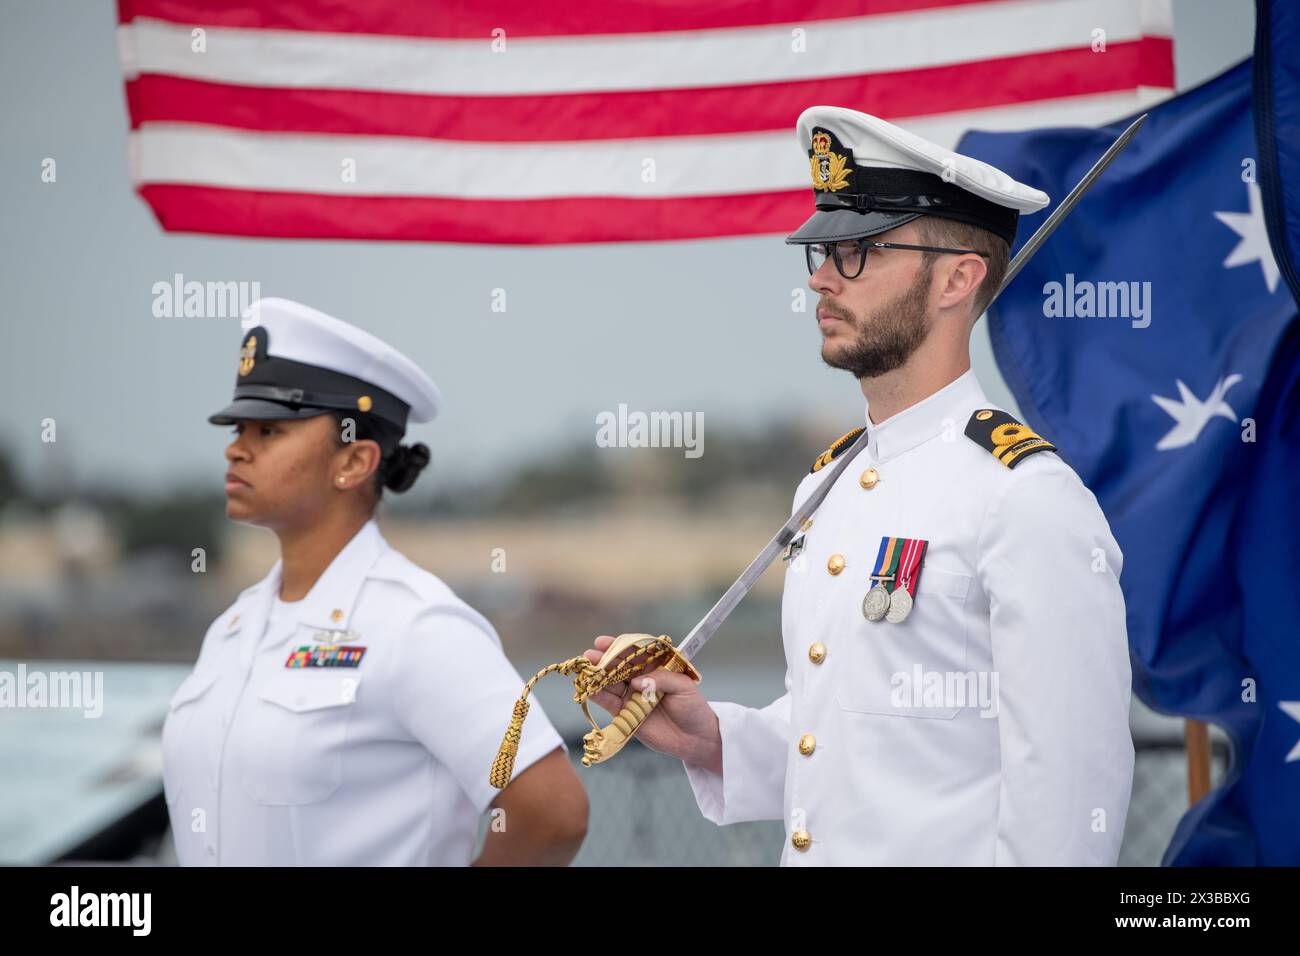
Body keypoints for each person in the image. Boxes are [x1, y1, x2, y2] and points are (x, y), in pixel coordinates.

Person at [584, 107, 1134, 865]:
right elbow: (850, 742)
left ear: (958, 279)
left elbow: (1069, 809)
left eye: (858, 252)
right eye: (821, 249)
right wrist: (715, 740)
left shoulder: (1026, 500)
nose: (819, 275)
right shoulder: (828, 486)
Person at [163, 297, 586, 866]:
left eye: (269, 430)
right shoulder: (232, 630)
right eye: (239, 427)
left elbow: (553, 813)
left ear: (355, 462)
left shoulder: (418, 625)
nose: (236, 448)